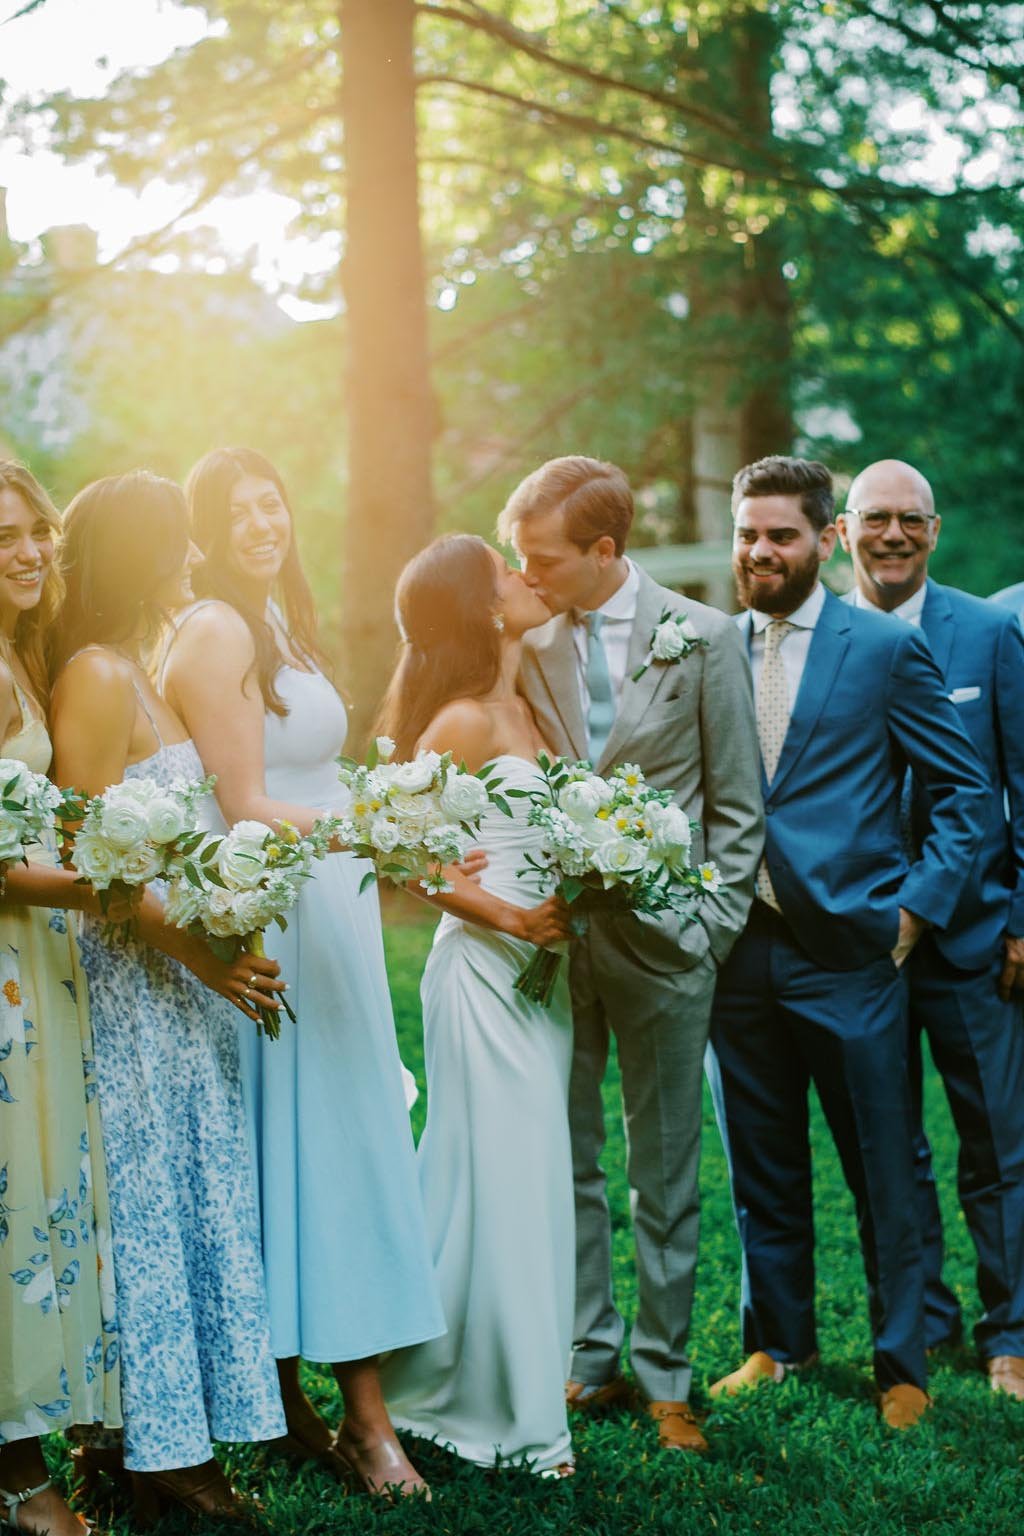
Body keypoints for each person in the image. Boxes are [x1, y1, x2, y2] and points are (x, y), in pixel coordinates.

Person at [162, 447, 444, 1498]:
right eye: (233, 513)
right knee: (314, 1151)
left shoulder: (277, 622)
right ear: (201, 534)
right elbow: (240, 801)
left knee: (316, 1144)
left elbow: (301, 772)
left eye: (269, 502)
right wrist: (378, 823)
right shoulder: (220, 629)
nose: (259, 524)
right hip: (281, 911)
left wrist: (369, 821)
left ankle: (291, 1404)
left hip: (331, 908)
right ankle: (363, 1423)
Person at [706, 455, 989, 1429]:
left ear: (825, 541)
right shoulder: (709, 648)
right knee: (760, 1160)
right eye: (747, 534)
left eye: (781, 534)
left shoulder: (877, 648)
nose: (760, 551)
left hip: (855, 952)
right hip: (737, 948)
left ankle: (901, 1363)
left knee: (883, 1167)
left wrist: (916, 909)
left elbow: (963, 795)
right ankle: (775, 1344)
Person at [497, 455, 764, 1452]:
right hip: (558, 942)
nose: (525, 575)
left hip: (668, 944)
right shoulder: (524, 641)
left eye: (544, 560)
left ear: (606, 552)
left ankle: (664, 1376)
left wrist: (710, 927)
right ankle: (587, 1357)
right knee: (568, 1159)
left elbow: (736, 806)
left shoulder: (701, 640)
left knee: (665, 1168)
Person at [49, 471, 287, 1523]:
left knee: (193, 1204)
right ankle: (148, 1453)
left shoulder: (147, 669)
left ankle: (184, 1440)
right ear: (142, 554)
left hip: (179, 980)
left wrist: (228, 920)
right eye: (180, 543)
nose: (197, 558)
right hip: (133, 984)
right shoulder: (96, 676)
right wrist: (203, 955)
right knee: (145, 1212)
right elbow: (95, 857)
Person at [376, 533, 576, 1475]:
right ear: (482, 607)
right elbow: (406, 855)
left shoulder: (530, 706)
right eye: (507, 571)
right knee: (495, 1177)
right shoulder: (457, 720)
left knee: (524, 1179)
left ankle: (480, 1374)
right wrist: (507, 915)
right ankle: (512, 1416)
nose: (526, 576)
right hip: (483, 977)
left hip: (543, 984)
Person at [838, 457, 1024, 1398]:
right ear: (845, 530)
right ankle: (929, 1316)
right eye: (877, 519)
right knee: (892, 1147)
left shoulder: (990, 633)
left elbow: (1020, 784)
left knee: (998, 1142)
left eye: (913, 519)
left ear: (936, 531)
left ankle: (1012, 1332)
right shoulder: (821, 639)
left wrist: (1023, 915)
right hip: (861, 942)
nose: (895, 536)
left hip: (974, 936)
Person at [0, 461, 120, 1536]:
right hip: (3, 968)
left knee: (36, 1206)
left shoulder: (23, 656)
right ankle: (15, 1469)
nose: (31, 551)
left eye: (35, 530)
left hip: (36, 963)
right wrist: (117, 879)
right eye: (5, 539)